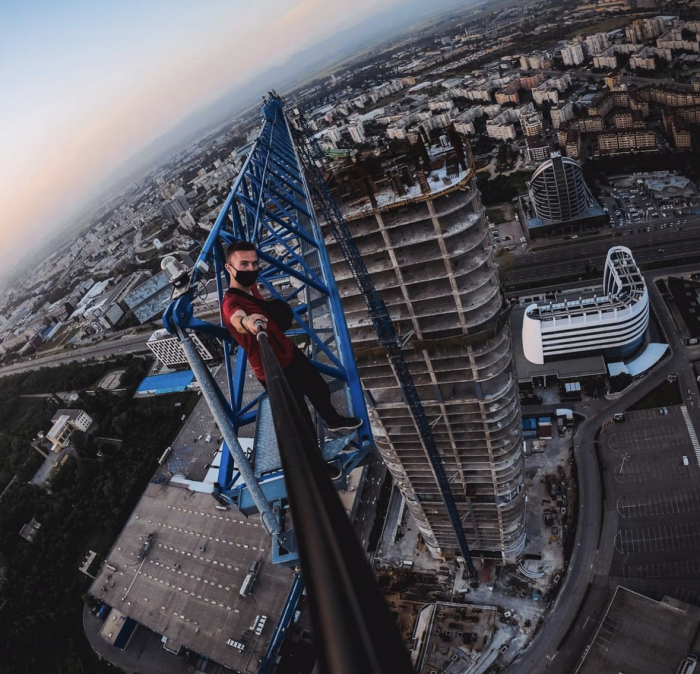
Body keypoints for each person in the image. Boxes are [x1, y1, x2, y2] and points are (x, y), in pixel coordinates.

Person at [221, 240, 362, 434]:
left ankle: (333, 421)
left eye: (254, 263)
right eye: (244, 264)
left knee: (319, 389)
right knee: (299, 418)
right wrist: (248, 322)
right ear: (229, 268)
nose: (251, 268)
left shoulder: (251, 287)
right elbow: (236, 318)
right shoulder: (231, 302)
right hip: (272, 370)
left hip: (289, 353)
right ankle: (316, 461)